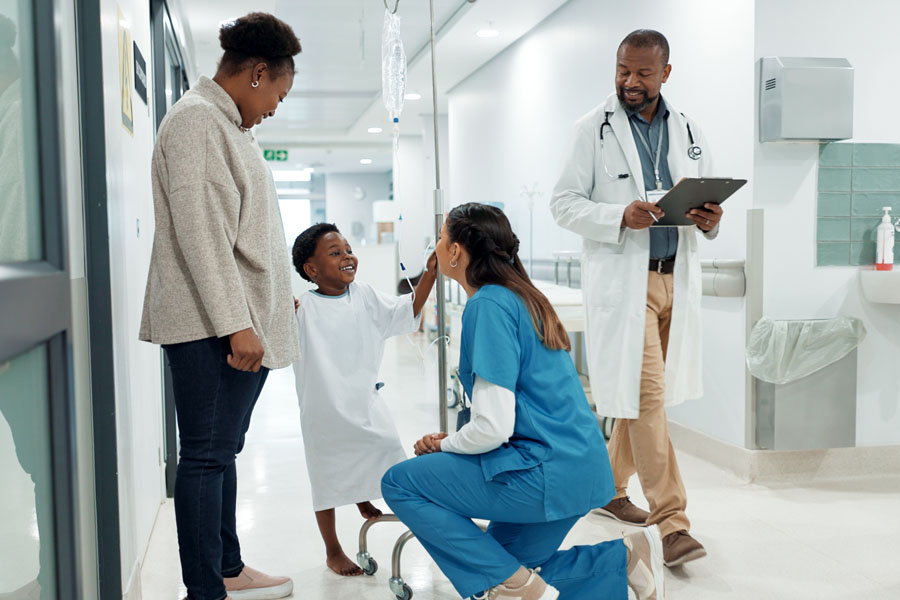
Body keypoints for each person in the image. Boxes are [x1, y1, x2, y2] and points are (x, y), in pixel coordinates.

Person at [382, 203, 667, 600]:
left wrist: (445, 444)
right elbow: (513, 413)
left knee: (400, 482)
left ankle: (515, 589)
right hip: (579, 468)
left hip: (544, 472)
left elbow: (494, 427)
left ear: (455, 252)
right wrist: (460, 439)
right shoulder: (523, 296)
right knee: (500, 563)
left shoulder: (487, 305)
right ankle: (621, 560)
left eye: (442, 237)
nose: (437, 244)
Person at [138, 13, 301, 600]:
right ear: (258, 74)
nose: (275, 107)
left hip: (230, 323)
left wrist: (275, 301)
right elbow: (203, 238)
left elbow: (244, 232)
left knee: (220, 452)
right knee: (205, 458)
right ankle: (205, 590)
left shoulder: (227, 126)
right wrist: (238, 324)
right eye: (278, 94)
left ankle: (228, 569)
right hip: (212, 328)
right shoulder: (197, 123)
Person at [550, 29, 722, 567]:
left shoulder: (688, 128)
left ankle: (606, 488)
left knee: (638, 396)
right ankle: (672, 522)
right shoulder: (591, 129)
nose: (630, 81)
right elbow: (563, 203)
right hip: (627, 284)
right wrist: (615, 215)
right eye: (623, 70)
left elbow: (706, 194)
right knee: (647, 398)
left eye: (643, 73)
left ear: (665, 73)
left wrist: (711, 220)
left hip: (677, 276)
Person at [289, 223, 437, 576]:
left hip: (365, 403)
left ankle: (370, 497)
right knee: (325, 480)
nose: (347, 256)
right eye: (335, 252)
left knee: (387, 448)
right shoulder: (302, 309)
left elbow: (406, 310)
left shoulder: (366, 296)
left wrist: (430, 276)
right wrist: (281, 310)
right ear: (311, 270)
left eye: (348, 249)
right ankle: (333, 549)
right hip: (323, 412)